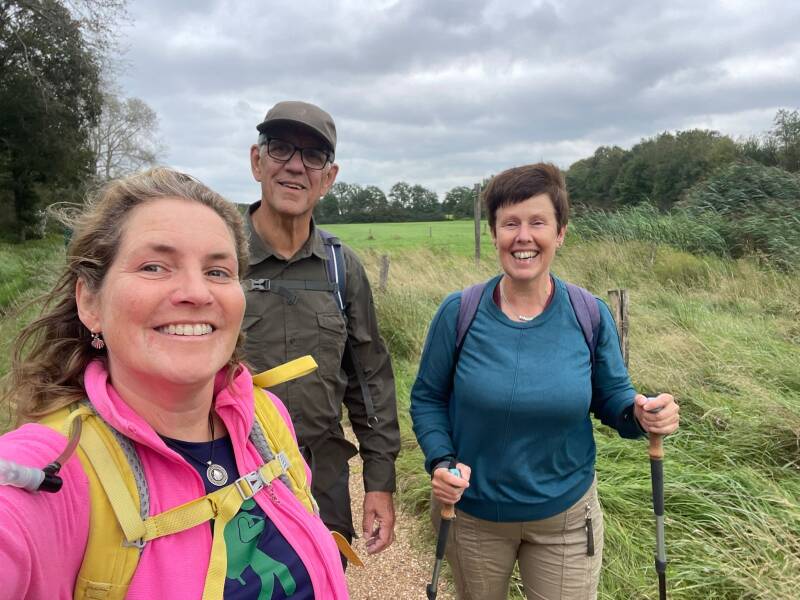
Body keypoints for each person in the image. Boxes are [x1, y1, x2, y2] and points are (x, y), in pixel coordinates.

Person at [0, 168, 348, 599]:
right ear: (89, 301)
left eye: (218, 271)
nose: (197, 292)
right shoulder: (52, 471)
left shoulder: (263, 417)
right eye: (154, 266)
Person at [410, 163, 680, 600]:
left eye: (538, 222)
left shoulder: (588, 313)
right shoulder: (458, 312)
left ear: (560, 233)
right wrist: (441, 461)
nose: (523, 237)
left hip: (566, 519)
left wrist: (642, 413)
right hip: (473, 516)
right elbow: (427, 397)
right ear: (494, 233)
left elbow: (612, 396)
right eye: (510, 223)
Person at [243, 100, 400, 557]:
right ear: (257, 161)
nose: (295, 166)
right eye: (280, 148)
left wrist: (379, 481)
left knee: (325, 580)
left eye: (313, 156)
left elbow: (370, 379)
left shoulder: (341, 268)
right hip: (233, 477)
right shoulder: (218, 259)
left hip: (322, 480)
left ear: (328, 178)